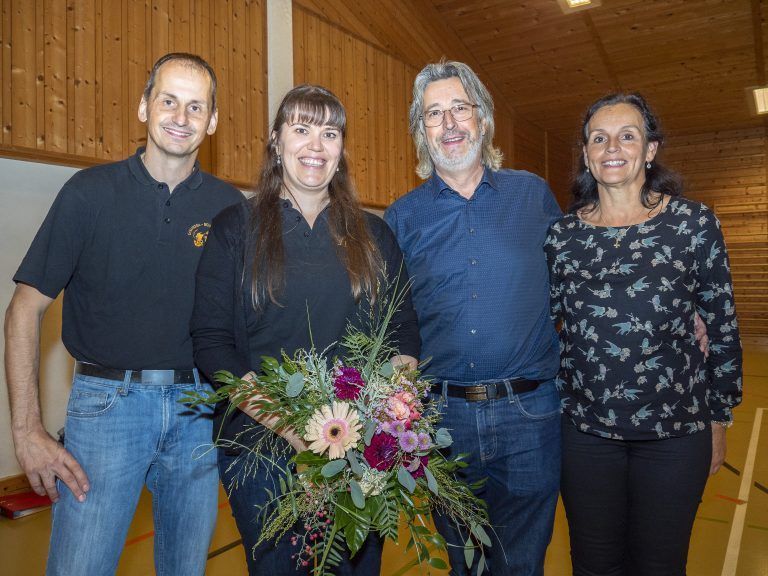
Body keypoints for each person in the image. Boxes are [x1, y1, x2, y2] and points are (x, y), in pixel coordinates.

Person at [5, 53, 243, 575]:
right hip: (105, 410)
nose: (181, 116)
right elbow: (25, 308)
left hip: (198, 413)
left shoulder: (232, 210)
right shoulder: (87, 194)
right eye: (168, 100)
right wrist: (27, 431)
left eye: (196, 106)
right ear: (143, 107)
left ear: (214, 121)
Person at [190, 84, 420, 575]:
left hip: (357, 452)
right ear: (276, 141)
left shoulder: (375, 235)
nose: (315, 145)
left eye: (329, 132)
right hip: (263, 451)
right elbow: (213, 344)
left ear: (342, 149)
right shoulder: (235, 228)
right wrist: (296, 432)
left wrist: (383, 418)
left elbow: (403, 335)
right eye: (301, 129)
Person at [545, 92, 742, 575]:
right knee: (593, 565)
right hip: (586, 436)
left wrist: (718, 418)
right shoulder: (562, 237)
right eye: (599, 138)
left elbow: (721, 324)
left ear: (650, 150)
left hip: (675, 436)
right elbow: (543, 323)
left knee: (659, 565)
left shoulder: (693, 225)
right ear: (587, 154)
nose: (612, 147)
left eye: (627, 136)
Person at [384, 60, 562, 575]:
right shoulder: (402, 218)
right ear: (421, 133)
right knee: (464, 565)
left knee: (523, 563)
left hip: (531, 414)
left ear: (482, 118)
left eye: (459, 108)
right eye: (434, 114)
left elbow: (580, 279)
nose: (450, 124)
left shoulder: (533, 195)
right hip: (443, 421)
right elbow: (393, 319)